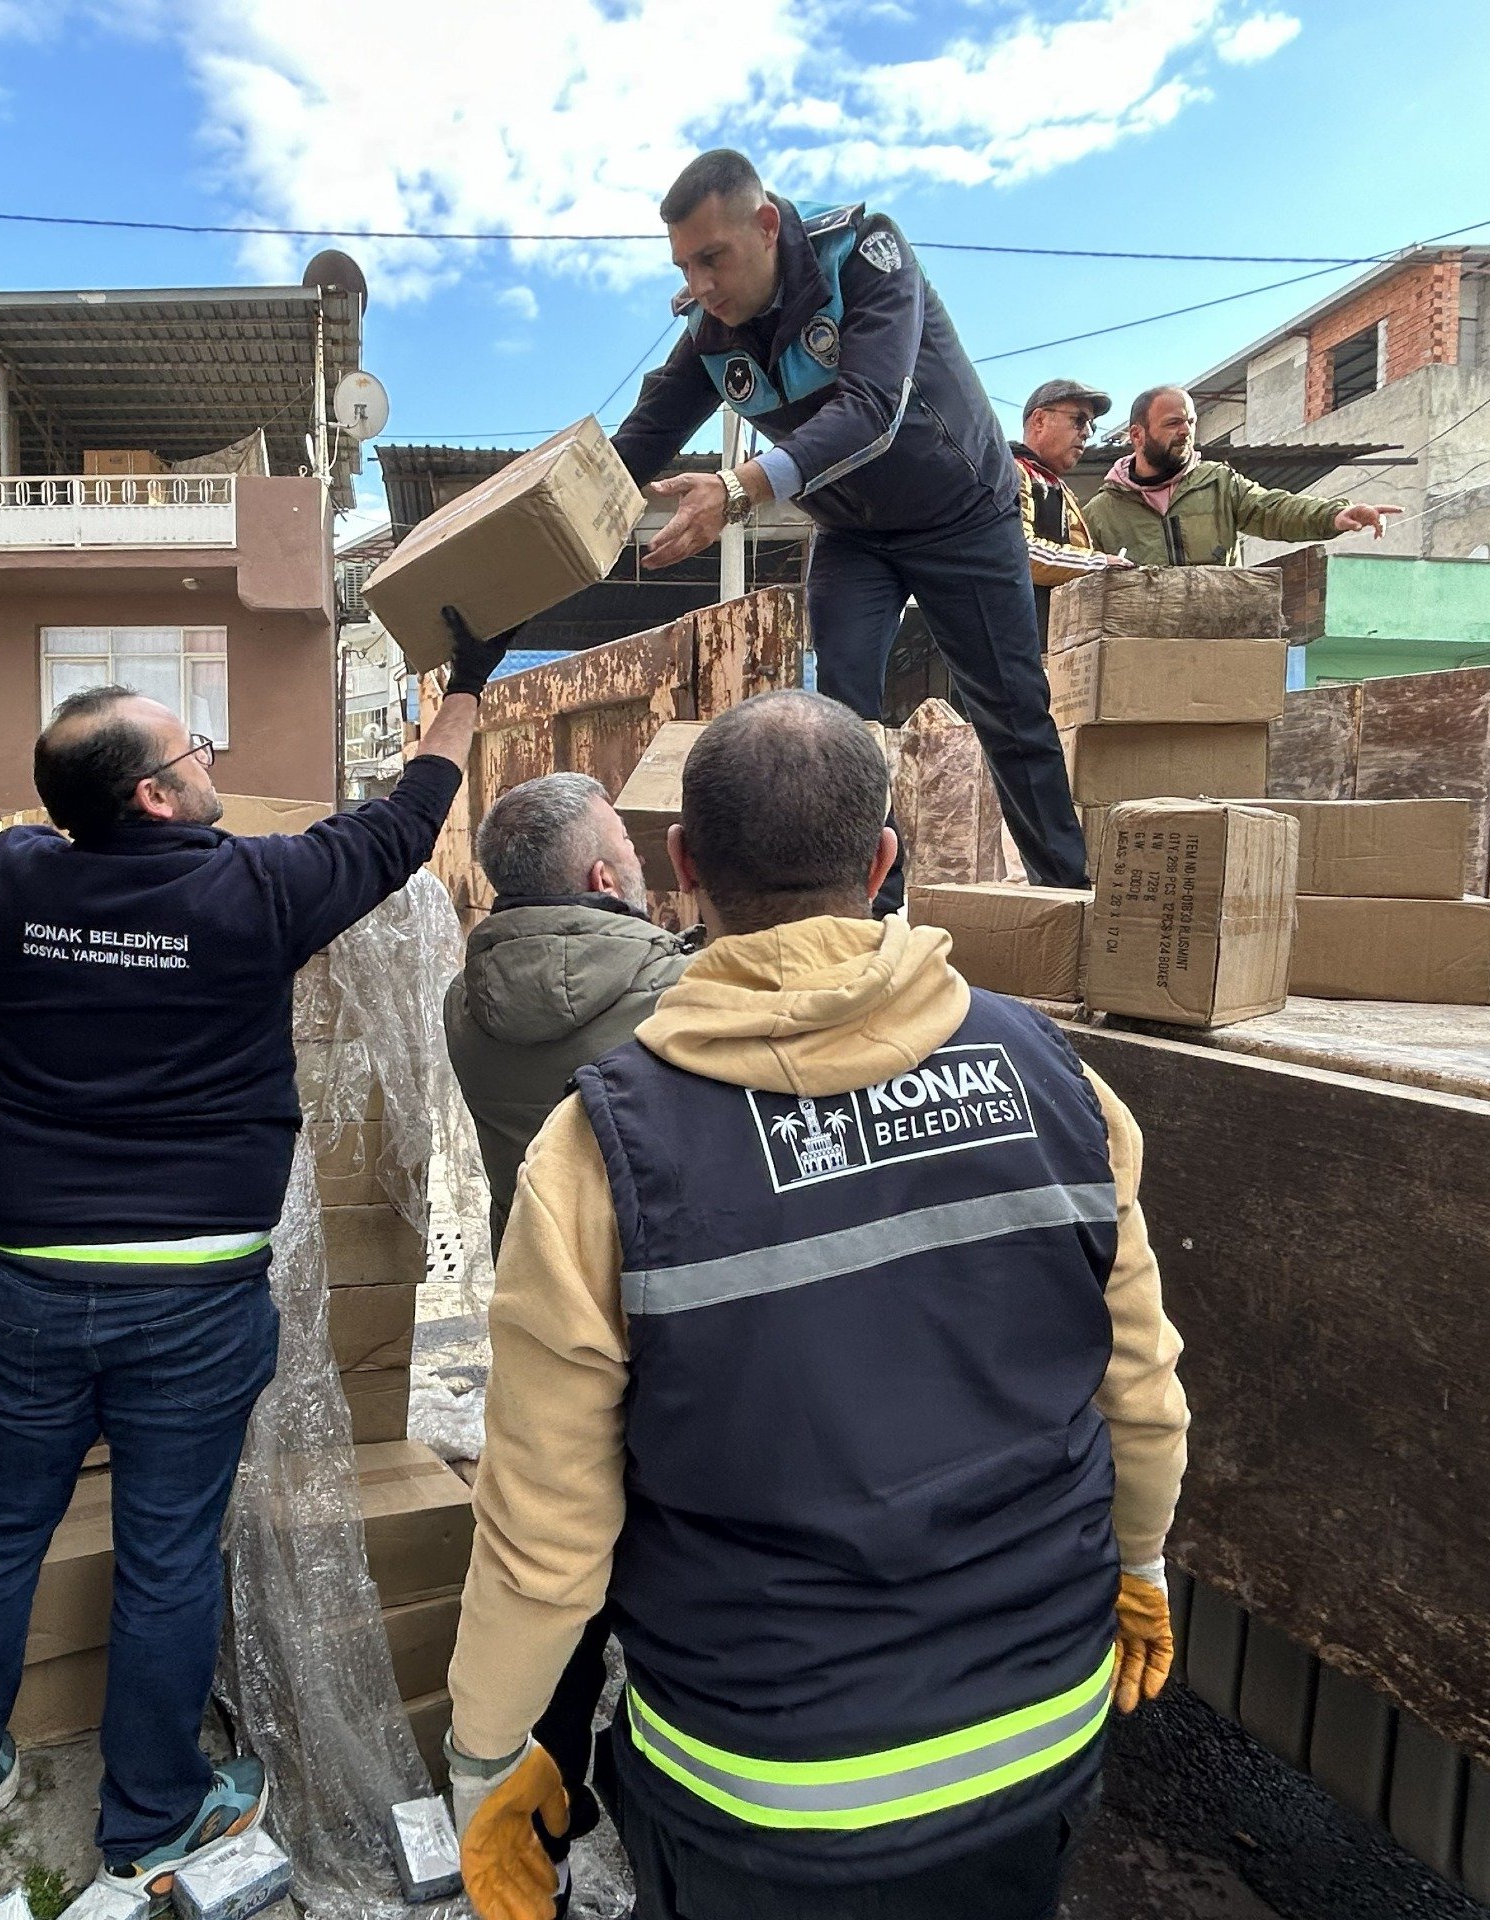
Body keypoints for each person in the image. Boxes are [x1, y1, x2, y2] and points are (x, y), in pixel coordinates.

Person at [440, 690, 1191, 1920]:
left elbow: (544, 1525)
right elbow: (1140, 1390)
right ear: (884, 862)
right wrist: (1144, 1560)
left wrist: (489, 1753)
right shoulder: (1058, 1078)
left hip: (768, 1788)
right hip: (1040, 1730)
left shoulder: (599, 1150)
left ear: (681, 867)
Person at [0, 612, 510, 1904]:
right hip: (192, 1289)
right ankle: (154, 1815)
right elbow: (404, 830)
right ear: (157, 795)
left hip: (31, 1279)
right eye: (194, 749)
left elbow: (31, 836)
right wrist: (463, 688)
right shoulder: (253, 894)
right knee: (170, 1553)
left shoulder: (10, 882)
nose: (213, 757)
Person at [605, 147, 1089, 899]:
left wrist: (739, 490)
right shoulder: (712, 328)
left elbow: (871, 410)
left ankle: (1070, 898)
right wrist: (553, 516)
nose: (698, 286)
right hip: (856, 532)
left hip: (961, 511)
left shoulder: (865, 257)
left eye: (711, 259)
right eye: (682, 269)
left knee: (1010, 707)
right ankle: (867, 909)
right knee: (840, 722)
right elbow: (641, 438)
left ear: (767, 226)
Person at [442, 771, 696, 1917]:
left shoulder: (469, 999)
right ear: (604, 879)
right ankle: (665, 1791)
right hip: (661, 1320)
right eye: (628, 856)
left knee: (558, 1563)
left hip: (542, 1312)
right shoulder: (671, 993)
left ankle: (548, 1797)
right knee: (667, 1558)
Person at [446, 771, 695, 1252]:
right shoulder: (681, 991)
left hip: (534, 1275)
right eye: (625, 840)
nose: (638, 856)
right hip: (659, 1275)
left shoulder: (463, 1002)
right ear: (603, 880)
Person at [1083, 385, 1401, 566]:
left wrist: (1335, 514)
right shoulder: (1100, 514)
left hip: (1220, 641)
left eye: (1190, 422)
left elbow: (1274, 509)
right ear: (1137, 435)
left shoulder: (1219, 483)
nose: (1185, 432)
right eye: (1173, 423)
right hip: (1139, 656)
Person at [1013, 377, 1112, 557]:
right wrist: (1099, 563)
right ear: (1039, 421)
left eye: (1092, 425)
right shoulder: (1013, 471)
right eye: (1079, 420)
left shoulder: (1058, 486)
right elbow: (1021, 550)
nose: (1087, 433)